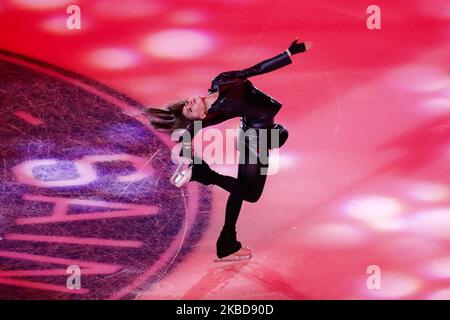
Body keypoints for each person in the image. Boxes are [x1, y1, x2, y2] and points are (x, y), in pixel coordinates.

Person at [147, 37, 312, 262]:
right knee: (251, 194)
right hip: (256, 141)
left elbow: (254, 70)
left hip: (257, 132)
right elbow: (189, 133)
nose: (190, 105)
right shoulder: (214, 114)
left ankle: (227, 243)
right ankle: (203, 175)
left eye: (187, 104)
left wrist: (288, 53)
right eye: (190, 111)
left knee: (249, 176)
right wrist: (191, 158)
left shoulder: (221, 80)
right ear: (201, 116)